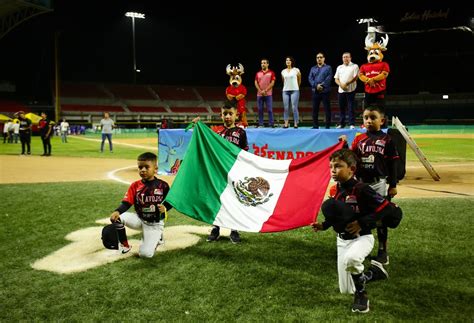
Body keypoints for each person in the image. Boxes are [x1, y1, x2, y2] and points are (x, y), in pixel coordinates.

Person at [312, 148, 402, 313]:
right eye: (331, 166)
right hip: (342, 240)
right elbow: (340, 216)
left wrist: (362, 223)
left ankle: (362, 296)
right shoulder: (336, 189)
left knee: (352, 261)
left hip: (362, 237)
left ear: (351, 169)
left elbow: (385, 207)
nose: (333, 170)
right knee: (346, 289)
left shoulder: (362, 189)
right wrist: (324, 225)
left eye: (338, 166)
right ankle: (374, 273)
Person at [340, 105, 400, 266]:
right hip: (360, 184)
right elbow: (351, 158)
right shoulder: (359, 139)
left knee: (380, 217)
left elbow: (393, 163)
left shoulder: (387, 140)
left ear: (382, 120)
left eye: (373, 117)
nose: (368, 120)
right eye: (366, 117)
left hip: (378, 183)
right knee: (358, 214)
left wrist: (392, 185)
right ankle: (358, 247)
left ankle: (382, 251)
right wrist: (345, 145)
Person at [193, 100, 248, 243]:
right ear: (221, 115)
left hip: (234, 172)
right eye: (225, 114)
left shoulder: (241, 132)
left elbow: (244, 153)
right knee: (217, 200)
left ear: (237, 115)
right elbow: (205, 142)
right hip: (218, 173)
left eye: (230, 113)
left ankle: (234, 229)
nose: (228, 116)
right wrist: (198, 126)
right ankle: (215, 228)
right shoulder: (216, 132)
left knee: (234, 199)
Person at [109, 152, 172, 258]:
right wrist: (117, 211)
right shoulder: (135, 186)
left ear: (155, 169)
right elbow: (127, 202)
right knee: (117, 218)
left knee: (145, 254)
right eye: (140, 167)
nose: (143, 170)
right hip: (139, 219)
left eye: (146, 167)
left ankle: (158, 237)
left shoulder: (163, 186)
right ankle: (125, 246)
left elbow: (170, 201)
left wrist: (165, 207)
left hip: (154, 224)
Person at [334, 52, 359, 129]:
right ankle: (342, 123)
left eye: (347, 57)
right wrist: (341, 85)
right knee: (341, 108)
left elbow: (356, 77)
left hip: (351, 90)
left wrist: (347, 83)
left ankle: (351, 124)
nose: (345, 58)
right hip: (341, 90)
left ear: (350, 58)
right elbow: (336, 78)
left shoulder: (354, 66)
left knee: (351, 107)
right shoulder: (339, 67)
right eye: (344, 57)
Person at [308, 52, 333, 129]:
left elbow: (329, 78)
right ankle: (315, 125)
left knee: (327, 109)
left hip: (325, 91)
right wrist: (316, 86)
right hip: (315, 91)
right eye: (317, 57)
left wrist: (322, 85)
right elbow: (310, 78)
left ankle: (327, 125)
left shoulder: (328, 67)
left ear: (324, 58)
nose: (319, 59)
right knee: (315, 109)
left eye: (321, 57)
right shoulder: (313, 68)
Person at [254, 58, 276, 128]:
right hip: (259, 94)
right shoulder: (258, 73)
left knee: (269, 109)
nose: (262, 64)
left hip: (268, 94)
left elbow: (272, 83)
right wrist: (260, 91)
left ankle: (271, 123)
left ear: (267, 64)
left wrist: (265, 90)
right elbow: (255, 83)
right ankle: (261, 124)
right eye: (262, 63)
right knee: (260, 110)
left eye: (264, 63)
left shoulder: (271, 73)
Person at [281, 56, 301, 128]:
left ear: (292, 62)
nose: (288, 61)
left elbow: (299, 79)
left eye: (289, 60)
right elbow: (284, 81)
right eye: (287, 60)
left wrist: (297, 87)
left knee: (294, 107)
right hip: (285, 91)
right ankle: (286, 123)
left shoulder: (296, 70)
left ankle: (296, 123)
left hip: (295, 90)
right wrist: (286, 87)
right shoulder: (283, 71)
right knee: (286, 108)